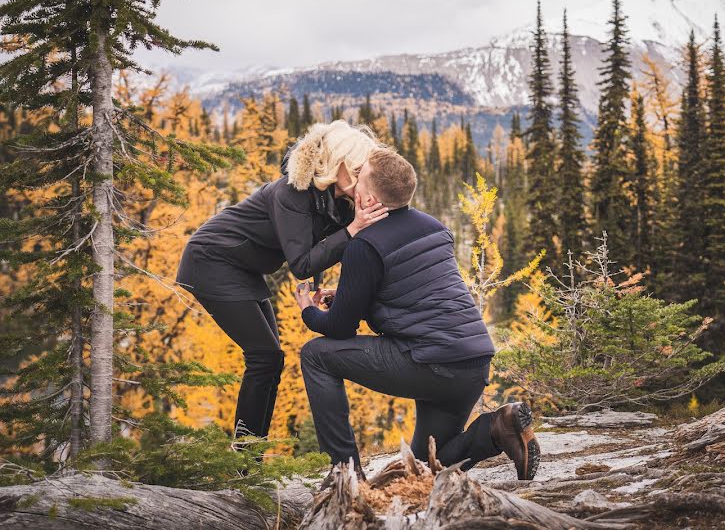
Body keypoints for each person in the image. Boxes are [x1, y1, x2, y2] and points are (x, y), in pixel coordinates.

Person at [294, 148, 541, 481]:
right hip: (471, 362)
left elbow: (339, 328)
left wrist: (309, 311)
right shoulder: (432, 226)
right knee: (424, 471)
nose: (353, 181)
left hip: (430, 363)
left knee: (315, 355)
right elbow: (414, 290)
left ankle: (346, 473)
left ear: (368, 197)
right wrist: (349, 295)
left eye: (360, 175)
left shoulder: (364, 245)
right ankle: (497, 427)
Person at [176, 120, 389, 444]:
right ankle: (245, 463)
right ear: (337, 165)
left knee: (270, 361)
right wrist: (352, 230)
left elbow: (329, 240)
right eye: (358, 170)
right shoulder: (291, 193)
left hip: (244, 267)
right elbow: (302, 263)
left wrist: (324, 281)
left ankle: (249, 459)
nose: (363, 178)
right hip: (211, 260)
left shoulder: (336, 198)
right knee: (265, 357)